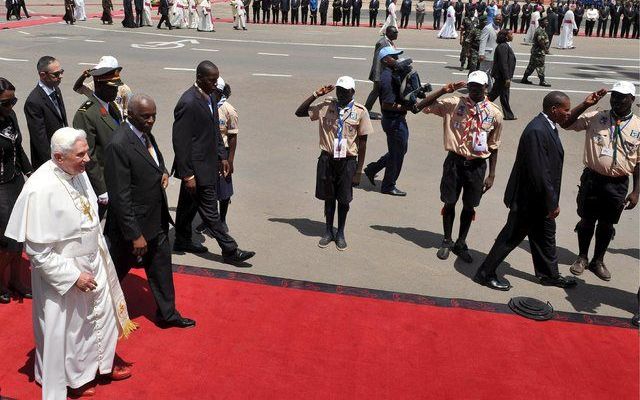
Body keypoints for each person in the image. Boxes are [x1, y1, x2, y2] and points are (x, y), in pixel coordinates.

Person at [5, 127, 136, 398]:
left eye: (86, 151)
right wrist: (73, 276)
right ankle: (74, 380)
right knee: (72, 330)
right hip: (63, 273)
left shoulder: (76, 170)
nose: (87, 159)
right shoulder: (40, 189)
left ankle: (101, 366)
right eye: (81, 155)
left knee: (101, 317)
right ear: (58, 157)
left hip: (93, 260)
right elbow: (38, 251)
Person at [103, 94, 196, 330]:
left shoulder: (144, 134)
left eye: (154, 115)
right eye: (146, 116)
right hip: (130, 228)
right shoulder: (119, 144)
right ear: (130, 115)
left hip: (156, 219)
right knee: (111, 273)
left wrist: (162, 170)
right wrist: (135, 234)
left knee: (161, 267)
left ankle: (168, 314)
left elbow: (153, 157)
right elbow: (120, 196)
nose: (151, 120)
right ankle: (96, 314)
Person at [473, 91, 577, 291]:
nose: (568, 113)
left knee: (545, 236)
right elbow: (539, 172)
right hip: (530, 200)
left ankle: (549, 275)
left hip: (540, 199)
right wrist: (552, 203)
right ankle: (485, 273)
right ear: (554, 109)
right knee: (510, 237)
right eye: (566, 109)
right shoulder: (537, 130)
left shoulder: (548, 125)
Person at [172, 61, 255, 263]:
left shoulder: (210, 96)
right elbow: (180, 141)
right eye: (212, 80)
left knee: (187, 206)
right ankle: (230, 250)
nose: (216, 83)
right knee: (210, 209)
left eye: (217, 79)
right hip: (196, 168)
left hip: (208, 163)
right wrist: (187, 174)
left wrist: (223, 156)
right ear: (199, 78)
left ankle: (181, 239)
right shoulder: (188, 102)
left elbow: (214, 131)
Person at [416, 72, 503, 263]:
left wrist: (492, 174)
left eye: (478, 86)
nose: (473, 89)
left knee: (470, 205)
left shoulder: (494, 113)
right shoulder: (454, 103)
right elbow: (420, 107)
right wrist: (442, 91)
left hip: (477, 165)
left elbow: (494, 145)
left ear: (485, 87)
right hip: (454, 162)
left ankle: (461, 242)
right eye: (471, 85)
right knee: (449, 202)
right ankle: (447, 240)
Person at [560, 82, 639, 281]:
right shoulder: (596, 116)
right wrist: (585, 104)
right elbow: (566, 123)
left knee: (606, 225)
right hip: (593, 180)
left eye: (622, 97)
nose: (617, 100)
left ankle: (598, 260)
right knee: (587, 221)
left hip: (618, 184)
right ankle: (582, 257)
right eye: (614, 96)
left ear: (632, 99)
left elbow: (639, 163)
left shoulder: (639, 126)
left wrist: (636, 191)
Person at [295, 77, 372, 250]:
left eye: (345, 91)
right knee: (329, 197)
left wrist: (359, 170)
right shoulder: (325, 106)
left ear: (353, 92)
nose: (341, 93)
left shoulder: (360, 111)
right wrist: (316, 94)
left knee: (344, 199)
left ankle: (341, 232)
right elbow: (300, 112)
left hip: (348, 161)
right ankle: (328, 231)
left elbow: (363, 142)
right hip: (327, 159)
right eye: (339, 90)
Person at [72, 59, 125, 219]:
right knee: (94, 221)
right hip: (102, 181)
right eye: (112, 88)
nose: (116, 92)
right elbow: (90, 156)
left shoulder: (112, 106)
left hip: (116, 175)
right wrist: (101, 189)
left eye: (116, 87)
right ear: (99, 86)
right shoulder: (86, 113)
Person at [0, 78, 33, 304]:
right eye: (6, 102)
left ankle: (16, 280)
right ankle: (1, 281)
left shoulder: (10, 117)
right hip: (0, 187)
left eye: (14, 101)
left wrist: (31, 174)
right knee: (5, 239)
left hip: (15, 181)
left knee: (19, 235)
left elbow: (18, 147)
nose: (11, 106)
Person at [364, 47, 409, 196]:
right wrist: (406, 106)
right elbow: (386, 104)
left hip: (396, 119)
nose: (397, 59)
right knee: (397, 153)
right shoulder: (387, 78)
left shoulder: (391, 74)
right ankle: (388, 185)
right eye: (394, 57)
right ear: (385, 60)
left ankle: (373, 169)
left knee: (399, 150)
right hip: (393, 121)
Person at [24, 56, 68, 170]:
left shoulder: (56, 90)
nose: (60, 76)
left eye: (61, 72)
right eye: (56, 74)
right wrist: (53, 164)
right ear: (43, 75)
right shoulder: (33, 101)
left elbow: (62, 120)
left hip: (62, 153)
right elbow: (40, 140)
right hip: (48, 162)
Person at [364, 26, 398, 118]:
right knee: (376, 92)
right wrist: (377, 76)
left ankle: (383, 111)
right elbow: (377, 60)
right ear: (388, 33)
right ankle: (366, 111)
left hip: (387, 72)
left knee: (380, 92)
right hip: (381, 73)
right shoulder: (382, 43)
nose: (396, 34)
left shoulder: (389, 42)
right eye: (394, 33)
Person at [489, 30, 516, 120]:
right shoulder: (503, 47)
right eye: (511, 34)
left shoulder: (504, 45)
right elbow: (503, 63)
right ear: (506, 36)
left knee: (503, 95)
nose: (513, 35)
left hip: (503, 76)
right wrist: (507, 78)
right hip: (502, 76)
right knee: (494, 95)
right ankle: (478, 106)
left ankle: (508, 115)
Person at [521, 16, 551, 87]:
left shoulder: (541, 30)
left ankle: (524, 78)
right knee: (540, 66)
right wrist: (545, 50)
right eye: (545, 21)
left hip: (536, 51)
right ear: (541, 22)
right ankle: (542, 81)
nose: (547, 22)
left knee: (531, 66)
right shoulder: (539, 31)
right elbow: (541, 42)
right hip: (539, 52)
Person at [478, 14, 501, 90]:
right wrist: (481, 53)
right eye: (497, 19)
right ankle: (481, 89)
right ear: (494, 19)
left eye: (500, 19)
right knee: (483, 73)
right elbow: (483, 40)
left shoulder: (499, 28)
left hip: (495, 56)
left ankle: (489, 89)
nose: (498, 21)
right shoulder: (487, 28)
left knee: (490, 74)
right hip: (487, 55)